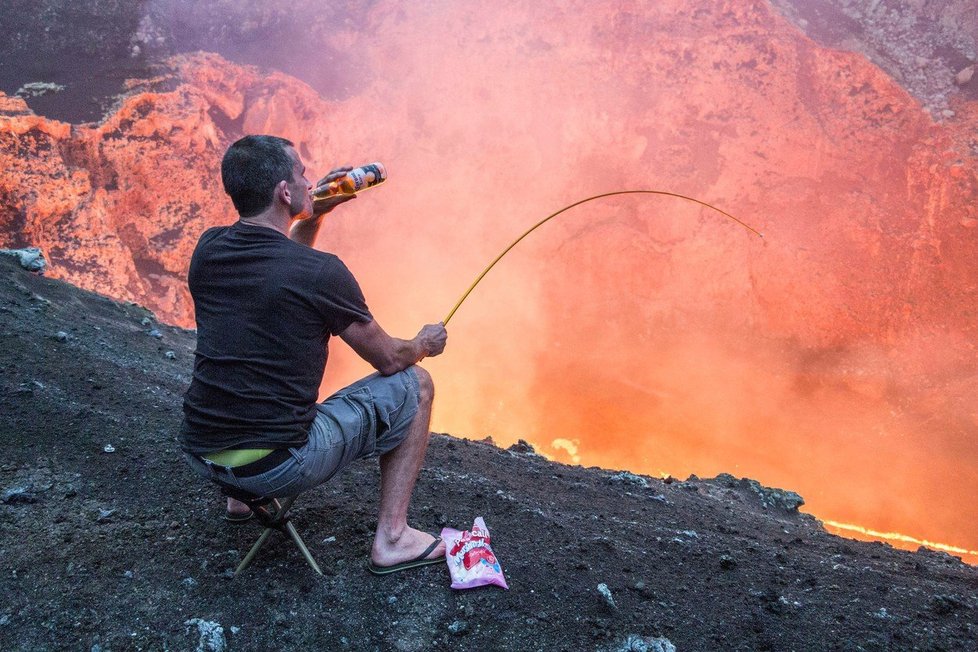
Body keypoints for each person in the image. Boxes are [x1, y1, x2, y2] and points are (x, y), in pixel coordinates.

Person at [180, 134, 448, 574]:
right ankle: (394, 538)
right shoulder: (323, 273)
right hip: (276, 465)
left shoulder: (208, 250)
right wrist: (424, 343)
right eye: (302, 172)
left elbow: (279, 271)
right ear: (285, 192)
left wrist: (315, 214)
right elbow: (389, 359)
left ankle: (239, 503)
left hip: (203, 454)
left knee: (249, 355)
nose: (310, 178)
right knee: (415, 384)